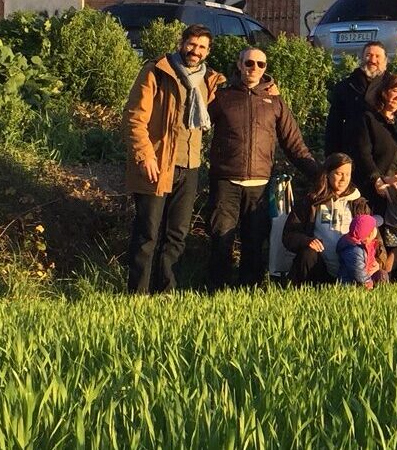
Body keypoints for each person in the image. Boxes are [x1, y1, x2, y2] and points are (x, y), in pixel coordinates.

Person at [123, 23, 225, 295]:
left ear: (208, 51)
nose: (195, 50)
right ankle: (138, 295)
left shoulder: (208, 80)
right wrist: (145, 156)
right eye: (191, 44)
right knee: (148, 234)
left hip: (190, 166)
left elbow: (237, 97)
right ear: (181, 43)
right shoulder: (156, 71)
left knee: (177, 235)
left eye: (202, 47)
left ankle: (166, 293)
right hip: (157, 164)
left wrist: (268, 87)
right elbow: (134, 118)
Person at [205, 46, 319, 290]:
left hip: (259, 183)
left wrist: (319, 175)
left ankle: (250, 291)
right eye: (249, 63)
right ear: (239, 64)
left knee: (254, 242)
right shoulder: (222, 97)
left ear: (265, 68)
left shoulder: (275, 102)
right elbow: (196, 129)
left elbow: (294, 144)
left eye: (260, 64)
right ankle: (216, 292)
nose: (254, 68)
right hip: (225, 181)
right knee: (221, 238)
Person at [348, 73, 397, 219]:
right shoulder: (368, 117)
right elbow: (363, 153)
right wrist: (376, 179)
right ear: (384, 92)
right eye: (395, 91)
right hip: (378, 184)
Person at [279, 154, 366, 284]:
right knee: (308, 253)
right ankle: (307, 289)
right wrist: (307, 241)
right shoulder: (311, 201)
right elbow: (289, 235)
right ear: (327, 174)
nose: (344, 179)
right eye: (339, 174)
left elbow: (373, 236)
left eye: (347, 174)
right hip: (319, 267)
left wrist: (378, 261)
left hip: (351, 267)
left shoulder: (358, 203)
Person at [325, 41, 386, 155]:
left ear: (385, 60)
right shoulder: (345, 86)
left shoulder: (392, 87)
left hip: (384, 150)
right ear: (361, 58)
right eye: (368, 55)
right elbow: (334, 124)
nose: (372, 60)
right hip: (353, 149)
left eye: (377, 56)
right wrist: (332, 155)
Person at [337, 213, 387, 287]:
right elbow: (358, 272)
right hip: (353, 283)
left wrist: (376, 264)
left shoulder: (367, 244)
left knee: (382, 274)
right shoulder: (354, 250)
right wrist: (368, 283)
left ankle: (382, 289)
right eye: (375, 227)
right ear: (371, 234)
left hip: (366, 275)